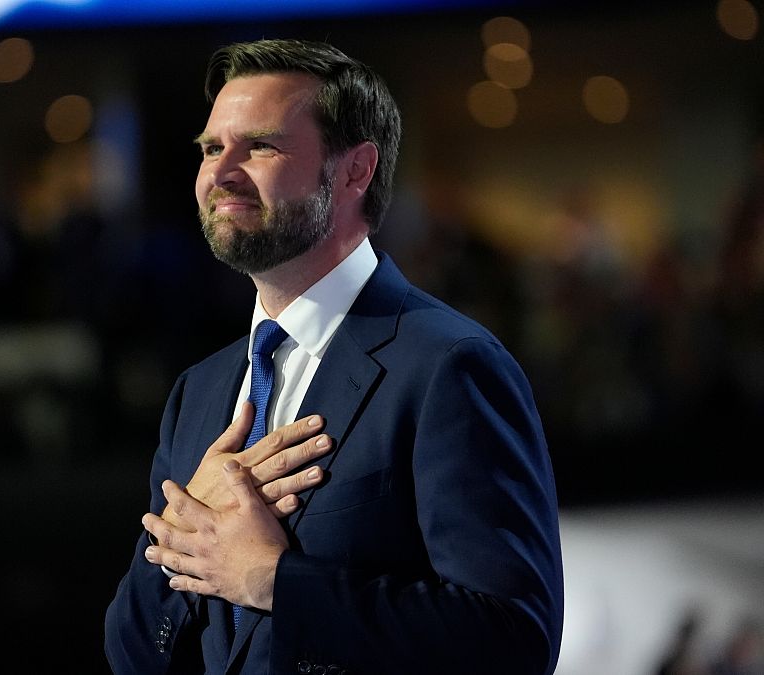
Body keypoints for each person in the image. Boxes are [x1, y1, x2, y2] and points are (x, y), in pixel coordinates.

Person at [103, 38, 565, 674]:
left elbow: (514, 639)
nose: (221, 171)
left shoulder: (448, 367)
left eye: (258, 145)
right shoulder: (199, 392)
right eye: (212, 148)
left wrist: (275, 581)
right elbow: (132, 655)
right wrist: (187, 536)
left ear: (355, 171)